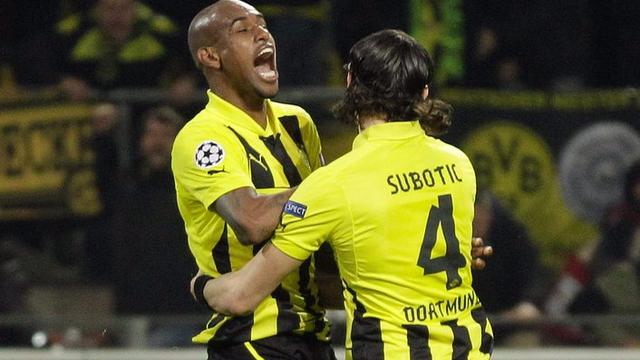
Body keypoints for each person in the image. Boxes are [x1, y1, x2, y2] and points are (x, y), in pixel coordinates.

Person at [193, 29, 494, 359]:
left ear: (350, 82)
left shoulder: (335, 184)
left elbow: (239, 296)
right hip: (471, 348)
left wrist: (201, 285)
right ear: (423, 92)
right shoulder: (459, 164)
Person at [170, 1, 333, 358]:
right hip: (251, 339)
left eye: (263, 25)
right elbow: (252, 220)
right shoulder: (203, 137)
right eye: (243, 30)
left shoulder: (299, 123)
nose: (262, 34)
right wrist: (336, 185)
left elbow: (328, 230)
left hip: (314, 335)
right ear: (211, 57)